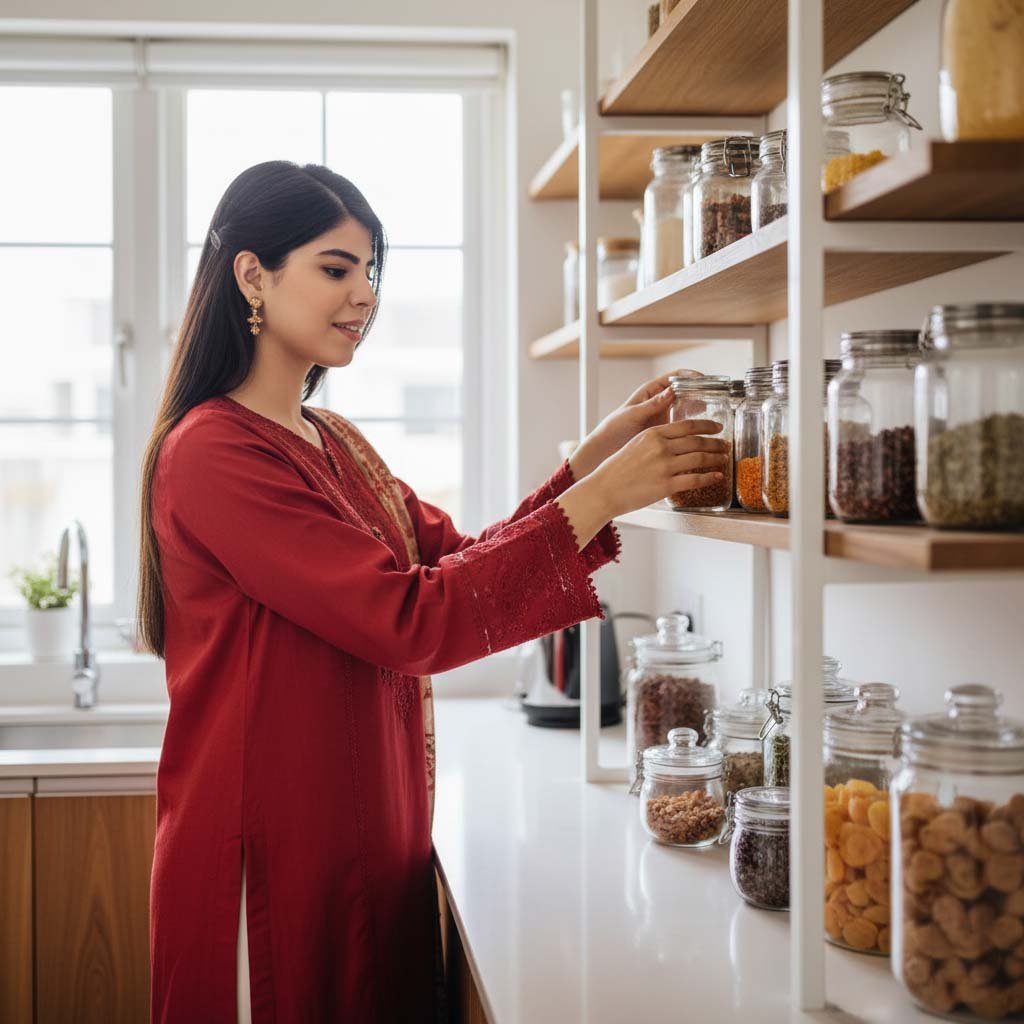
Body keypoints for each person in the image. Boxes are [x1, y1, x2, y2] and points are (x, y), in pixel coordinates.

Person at [136, 160, 728, 1023]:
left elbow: (460, 564)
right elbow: (412, 619)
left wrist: (587, 464)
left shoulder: (332, 438)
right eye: (336, 268)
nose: (365, 294)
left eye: (371, 271)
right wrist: (596, 497)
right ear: (252, 275)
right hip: (268, 852)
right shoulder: (213, 453)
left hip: (369, 831)